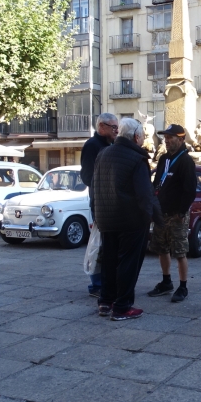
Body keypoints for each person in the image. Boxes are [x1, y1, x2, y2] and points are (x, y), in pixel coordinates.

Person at [92, 118, 161, 321]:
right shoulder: (136, 158)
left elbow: (95, 186)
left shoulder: (103, 154)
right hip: (130, 220)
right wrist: (150, 216)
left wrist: (97, 213)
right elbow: (143, 194)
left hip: (106, 217)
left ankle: (106, 301)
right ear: (137, 137)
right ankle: (122, 306)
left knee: (109, 260)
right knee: (128, 262)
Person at [148, 124, 197, 303]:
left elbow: (190, 190)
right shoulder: (163, 159)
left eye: (171, 137)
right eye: (165, 137)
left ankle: (183, 286)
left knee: (180, 251)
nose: (166, 140)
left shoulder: (186, 161)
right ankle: (166, 281)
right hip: (161, 212)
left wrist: (182, 212)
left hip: (177, 214)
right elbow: (157, 184)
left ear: (181, 139)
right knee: (161, 248)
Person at [81, 113, 119, 299]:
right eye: (113, 127)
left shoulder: (110, 145)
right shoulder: (92, 146)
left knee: (107, 245)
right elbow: (87, 176)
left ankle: (105, 282)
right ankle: (96, 285)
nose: (116, 131)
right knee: (99, 246)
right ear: (101, 127)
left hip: (110, 203)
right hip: (99, 203)